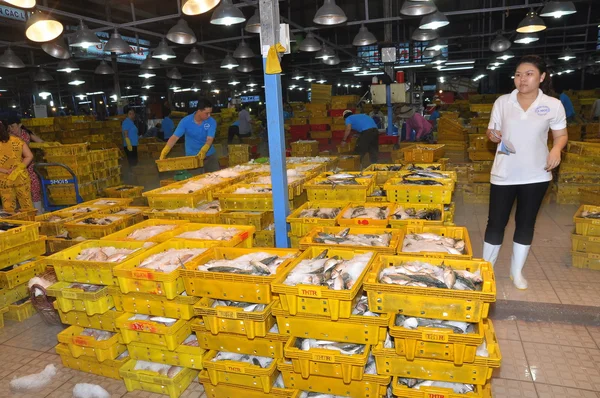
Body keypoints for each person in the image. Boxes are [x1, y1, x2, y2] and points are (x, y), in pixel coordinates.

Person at [483, 55, 568, 290]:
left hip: (536, 174)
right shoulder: (502, 102)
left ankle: (516, 272)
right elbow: (492, 130)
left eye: (529, 74)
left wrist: (557, 150)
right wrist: (492, 135)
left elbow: (560, 135)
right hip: (504, 172)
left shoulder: (552, 104)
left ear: (541, 77)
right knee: (495, 222)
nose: (522, 79)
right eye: (518, 74)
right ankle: (486, 269)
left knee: (525, 223)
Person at [160, 99, 219, 173]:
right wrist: (165, 150)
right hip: (192, 156)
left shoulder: (211, 121)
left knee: (215, 178)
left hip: (209, 155)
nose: (209, 115)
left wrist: (204, 150)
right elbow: (175, 137)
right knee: (196, 182)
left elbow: (210, 139)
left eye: (210, 113)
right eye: (207, 113)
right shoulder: (185, 121)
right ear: (199, 111)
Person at [7, 117, 43, 213]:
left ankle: (38, 212)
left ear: (19, 125)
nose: (11, 128)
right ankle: (23, 213)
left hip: (28, 166)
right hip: (15, 167)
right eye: (9, 126)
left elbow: (41, 142)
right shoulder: (8, 136)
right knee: (19, 192)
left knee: (35, 188)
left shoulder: (26, 133)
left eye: (13, 126)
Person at [0, 123, 35, 213]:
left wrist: (6, 171)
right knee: (26, 205)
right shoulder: (17, 141)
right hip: (20, 177)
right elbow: (29, 156)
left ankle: (13, 225)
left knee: (8, 207)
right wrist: (18, 169)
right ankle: (31, 225)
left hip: (4, 180)